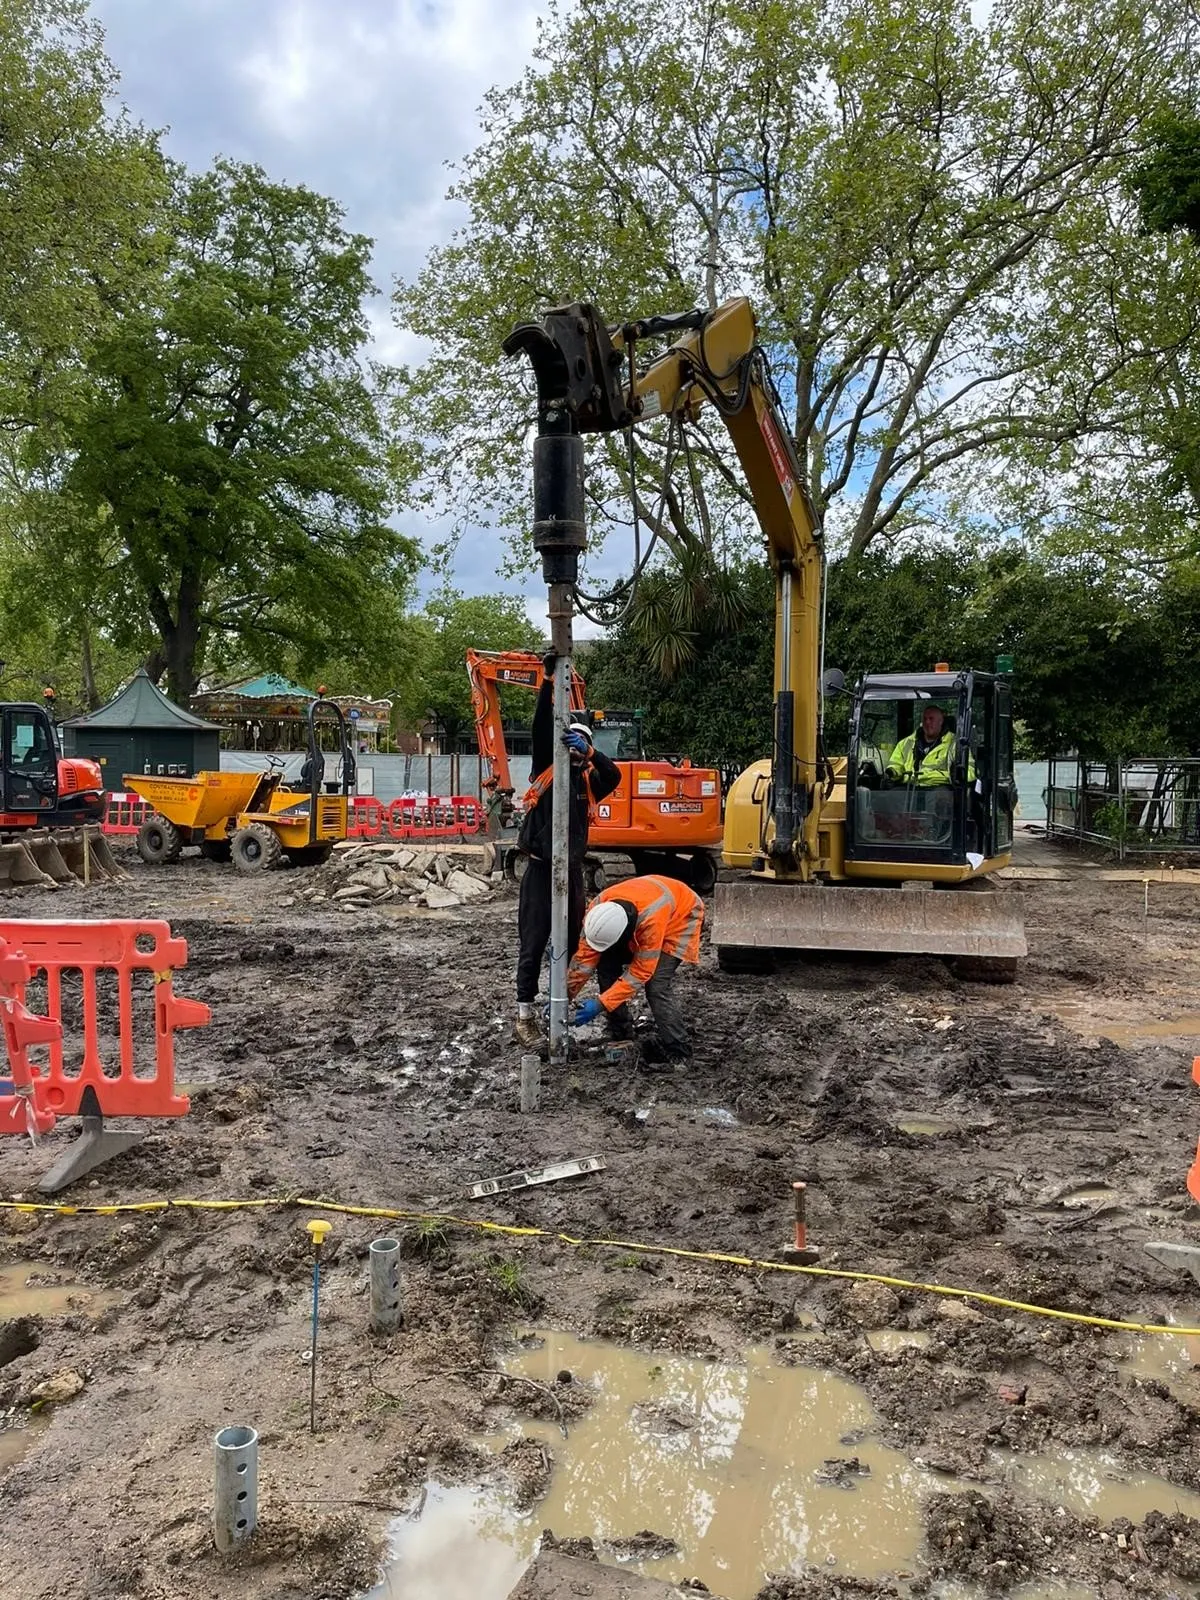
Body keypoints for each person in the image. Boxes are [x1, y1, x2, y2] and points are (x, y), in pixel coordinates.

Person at [514, 655, 620, 1047]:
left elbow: (614, 774)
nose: (575, 750)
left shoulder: (589, 780)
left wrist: (590, 755)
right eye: (572, 742)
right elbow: (541, 727)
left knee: (576, 941)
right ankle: (524, 1014)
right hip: (542, 871)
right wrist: (546, 682)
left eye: (582, 744)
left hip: (572, 873)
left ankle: (562, 1004)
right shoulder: (547, 767)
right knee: (535, 940)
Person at [566, 875, 705, 1064]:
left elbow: (640, 973)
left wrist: (600, 1004)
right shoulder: (597, 912)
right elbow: (584, 959)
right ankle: (621, 1033)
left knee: (656, 986)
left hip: (682, 915)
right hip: (650, 901)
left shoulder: (651, 923)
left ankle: (679, 1050)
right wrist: (565, 995)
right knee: (606, 964)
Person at [885, 704, 972, 788]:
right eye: (925, 719)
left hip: (940, 788)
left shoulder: (955, 743)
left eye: (931, 719)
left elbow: (969, 770)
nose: (927, 722)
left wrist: (959, 775)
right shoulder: (906, 743)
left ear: (940, 721)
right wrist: (892, 772)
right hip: (910, 787)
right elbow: (896, 764)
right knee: (892, 796)